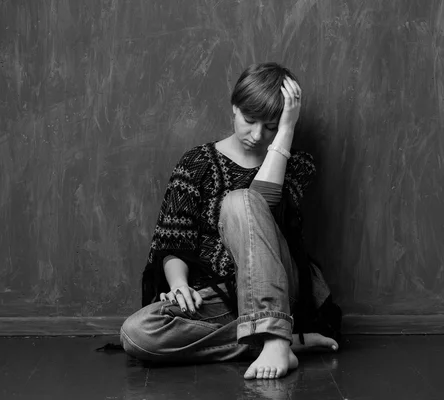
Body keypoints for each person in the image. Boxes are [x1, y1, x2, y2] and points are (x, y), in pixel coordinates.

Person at [120, 62, 342, 380]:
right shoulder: (196, 162)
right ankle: (280, 340)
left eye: (271, 126)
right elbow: (173, 242)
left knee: (240, 201)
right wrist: (179, 286)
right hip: (218, 298)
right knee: (136, 332)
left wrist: (287, 132)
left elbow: (258, 207)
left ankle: (275, 336)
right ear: (234, 109)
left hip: (280, 287)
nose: (257, 135)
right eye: (249, 121)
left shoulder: (295, 164)